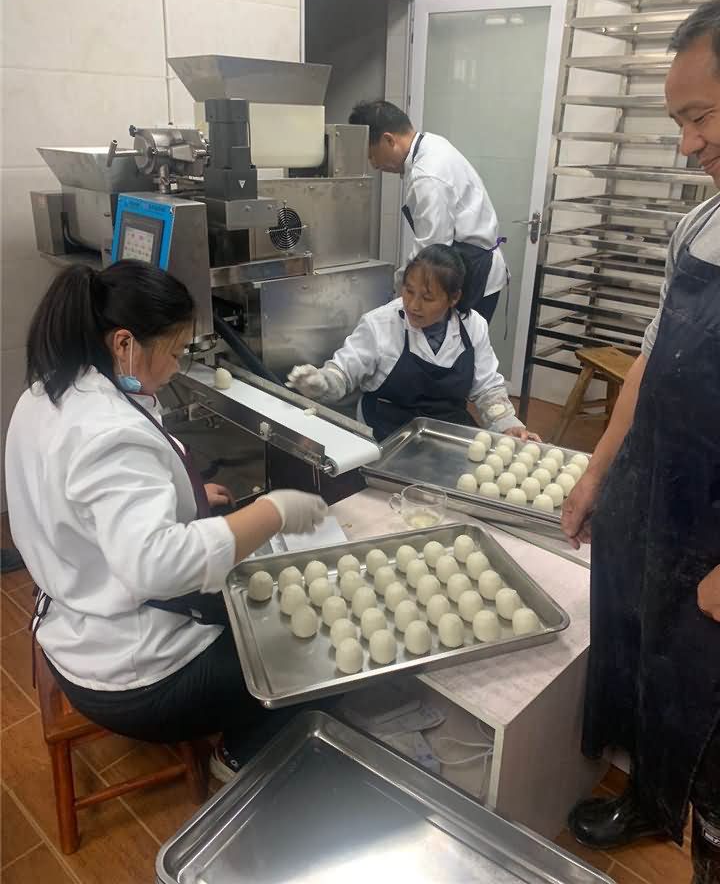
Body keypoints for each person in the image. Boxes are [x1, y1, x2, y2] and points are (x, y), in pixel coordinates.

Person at [4, 261, 328, 783]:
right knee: (312, 655)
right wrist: (274, 512)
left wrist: (187, 499)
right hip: (135, 676)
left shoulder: (48, 390)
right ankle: (239, 756)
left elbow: (85, 508)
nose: (178, 368)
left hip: (72, 628)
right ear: (124, 343)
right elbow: (155, 566)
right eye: (175, 352)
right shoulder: (108, 433)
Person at [562, 0, 720, 883]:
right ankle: (652, 803)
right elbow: (651, 362)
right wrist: (598, 476)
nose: (688, 145)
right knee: (640, 661)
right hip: (654, 489)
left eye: (701, 117)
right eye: (678, 123)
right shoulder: (700, 224)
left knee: (709, 704)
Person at [286, 244, 537, 443]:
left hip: (447, 427)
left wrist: (508, 424)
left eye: (427, 298)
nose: (414, 305)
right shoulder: (380, 324)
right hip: (388, 428)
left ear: (454, 298)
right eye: (408, 291)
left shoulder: (473, 326)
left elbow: (487, 390)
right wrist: (322, 382)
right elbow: (343, 374)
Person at [348, 99, 508, 323]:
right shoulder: (432, 143)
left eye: (372, 155)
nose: (373, 164)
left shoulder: (427, 174)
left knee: (459, 343)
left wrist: (398, 288)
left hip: (472, 271)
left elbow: (431, 250)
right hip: (472, 263)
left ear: (389, 140)